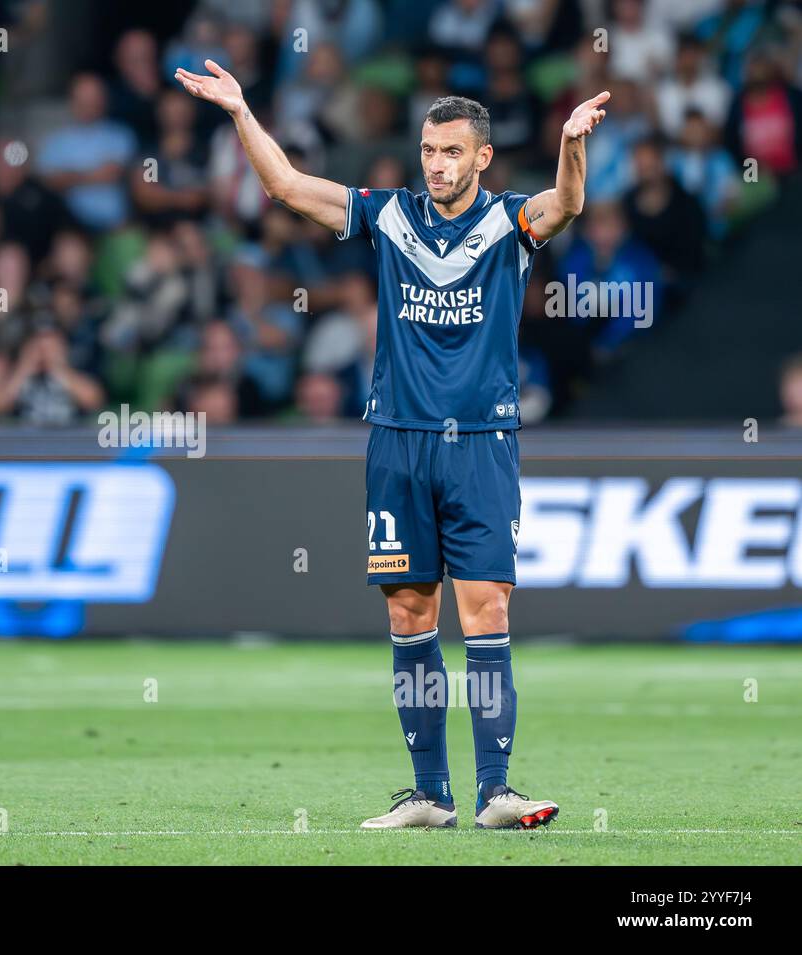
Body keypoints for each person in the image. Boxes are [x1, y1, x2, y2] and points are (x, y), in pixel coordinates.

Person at [176, 59, 609, 830]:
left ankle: (497, 790)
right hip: (399, 441)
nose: (436, 164)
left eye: (451, 152)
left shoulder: (511, 221)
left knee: (485, 606)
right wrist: (241, 111)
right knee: (410, 615)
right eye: (427, 150)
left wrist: (572, 144)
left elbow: (567, 202)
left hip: (480, 441)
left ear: (481, 157)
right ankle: (429, 795)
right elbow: (287, 188)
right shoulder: (388, 216)